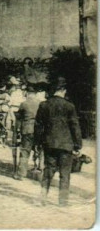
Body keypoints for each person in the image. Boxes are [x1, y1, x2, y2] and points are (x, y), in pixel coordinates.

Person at [35, 77, 82, 206]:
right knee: (65, 174)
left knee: (48, 170)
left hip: (49, 143)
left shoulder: (44, 105)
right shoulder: (69, 106)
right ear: (63, 90)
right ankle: (63, 201)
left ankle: (43, 197)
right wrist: (78, 145)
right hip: (66, 145)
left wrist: (37, 143)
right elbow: (74, 126)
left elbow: (39, 126)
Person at [15, 86, 46, 180]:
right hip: (39, 130)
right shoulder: (41, 104)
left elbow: (19, 119)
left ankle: (21, 174)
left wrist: (17, 130)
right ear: (35, 94)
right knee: (41, 150)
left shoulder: (24, 104)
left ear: (27, 93)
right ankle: (41, 172)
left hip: (27, 130)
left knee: (25, 151)